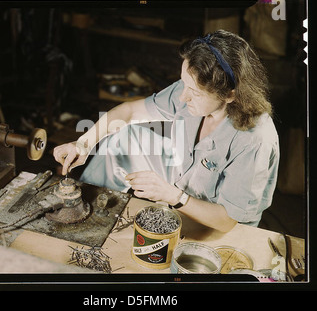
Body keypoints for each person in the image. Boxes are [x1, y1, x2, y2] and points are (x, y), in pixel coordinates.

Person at [53, 30, 279, 233]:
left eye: (195, 93)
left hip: (217, 222)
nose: (182, 97)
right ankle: (91, 207)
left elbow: (228, 220)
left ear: (230, 95)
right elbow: (130, 111)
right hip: (183, 176)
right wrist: (83, 143)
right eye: (184, 84)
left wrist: (172, 195)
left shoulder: (254, 140)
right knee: (124, 139)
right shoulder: (193, 86)